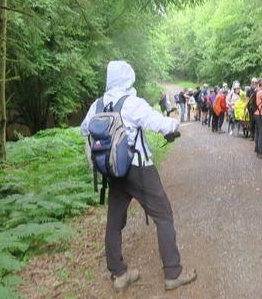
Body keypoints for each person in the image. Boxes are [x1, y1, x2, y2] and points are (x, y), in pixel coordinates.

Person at [79, 61, 197, 292]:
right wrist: (175, 121)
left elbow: (85, 129)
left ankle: (119, 274)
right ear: (128, 78)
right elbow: (161, 125)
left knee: (114, 221)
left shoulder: (98, 104)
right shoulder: (133, 103)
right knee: (163, 215)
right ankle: (173, 273)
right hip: (139, 169)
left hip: (112, 171)